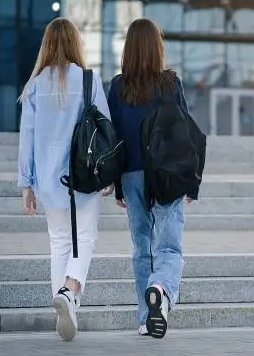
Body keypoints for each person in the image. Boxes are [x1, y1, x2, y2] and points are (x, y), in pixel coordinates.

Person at [17, 17, 113, 342]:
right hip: (83, 176)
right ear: (75, 43)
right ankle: (70, 293)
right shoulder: (88, 80)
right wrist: (108, 175)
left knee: (59, 243)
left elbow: (26, 139)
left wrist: (26, 184)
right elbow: (104, 129)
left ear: (47, 45)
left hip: (47, 179)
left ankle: (65, 311)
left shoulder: (33, 86)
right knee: (84, 238)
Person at [107, 18, 193, 339]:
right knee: (169, 248)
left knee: (142, 247)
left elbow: (114, 139)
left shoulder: (116, 87)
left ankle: (146, 318)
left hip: (131, 175)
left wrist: (118, 185)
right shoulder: (171, 83)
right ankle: (161, 288)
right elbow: (183, 133)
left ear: (128, 48)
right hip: (167, 174)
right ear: (158, 47)